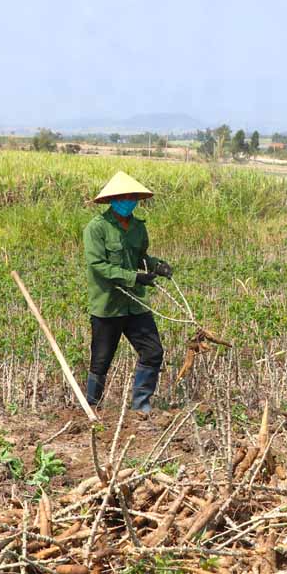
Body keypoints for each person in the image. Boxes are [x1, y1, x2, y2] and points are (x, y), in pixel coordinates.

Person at [83, 171, 172, 415]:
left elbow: (140, 257)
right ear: (112, 199)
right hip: (108, 305)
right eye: (123, 196)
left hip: (135, 304)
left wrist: (157, 265)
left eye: (132, 197)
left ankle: (141, 407)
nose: (128, 200)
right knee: (101, 361)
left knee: (153, 352)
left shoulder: (138, 228)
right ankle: (91, 408)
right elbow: (98, 266)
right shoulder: (97, 228)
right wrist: (135, 277)